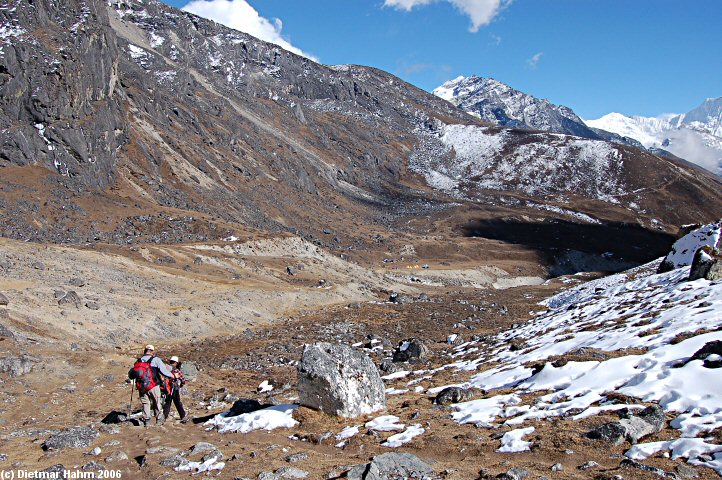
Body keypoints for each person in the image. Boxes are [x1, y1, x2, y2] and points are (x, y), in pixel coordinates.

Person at [135, 344, 176, 427]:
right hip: (153, 385)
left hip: (142, 386)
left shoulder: (138, 361)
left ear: (145, 351)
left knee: (146, 403)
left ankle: (147, 422)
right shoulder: (155, 359)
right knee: (157, 402)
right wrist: (173, 376)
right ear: (152, 351)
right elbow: (163, 371)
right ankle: (158, 420)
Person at [163, 355, 188, 423]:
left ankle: (164, 417)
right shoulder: (176, 370)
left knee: (167, 402)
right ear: (176, 363)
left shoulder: (166, 369)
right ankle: (183, 416)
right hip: (174, 388)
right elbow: (183, 380)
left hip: (167, 388)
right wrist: (181, 385)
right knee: (177, 402)